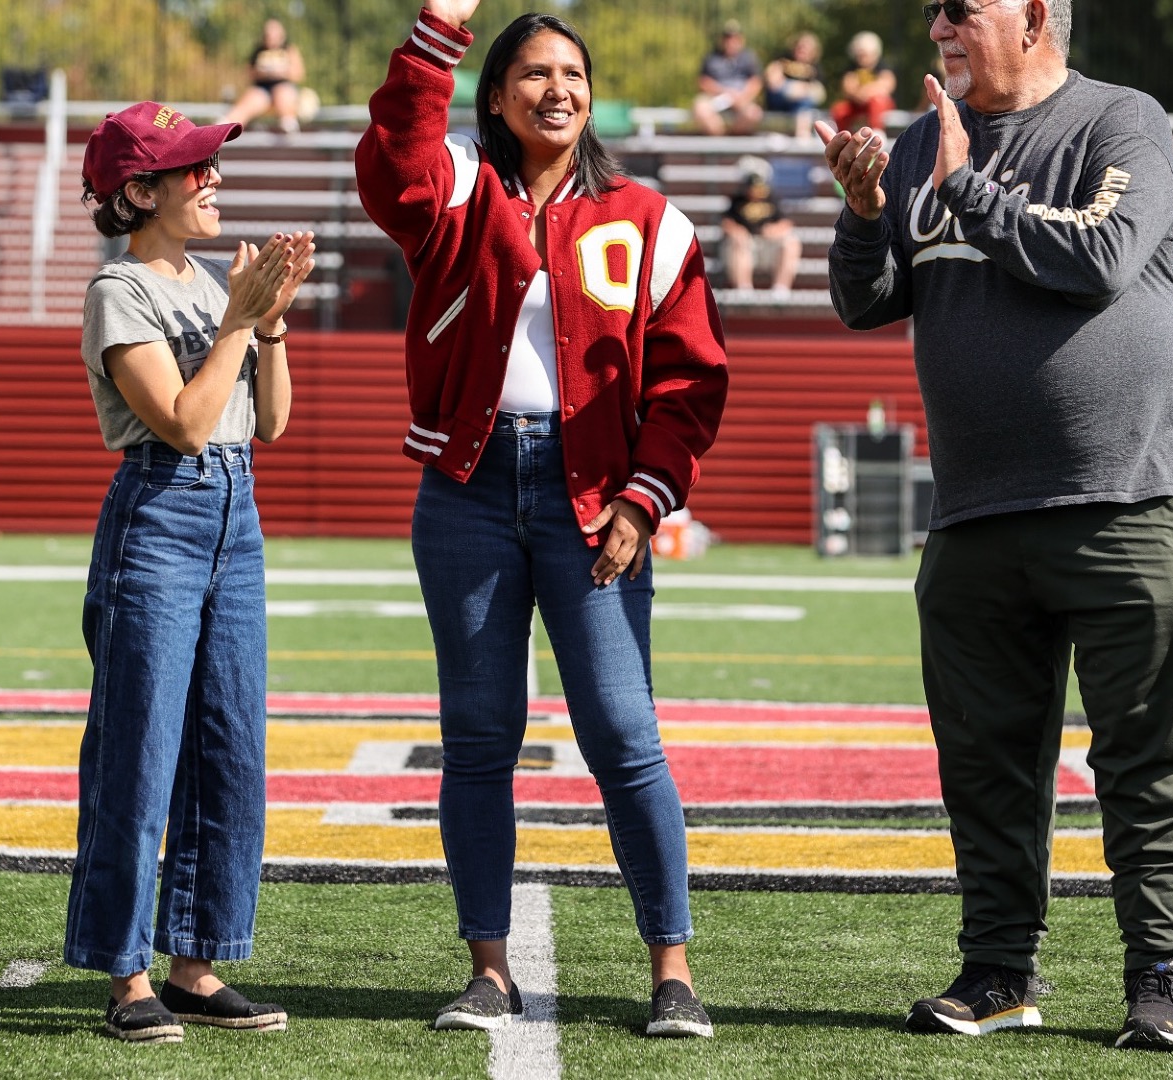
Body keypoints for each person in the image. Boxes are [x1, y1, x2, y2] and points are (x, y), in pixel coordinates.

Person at [818, 0, 1173, 1054]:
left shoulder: (1119, 119)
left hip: (1128, 497)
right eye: (934, 11)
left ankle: (1162, 979)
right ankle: (999, 973)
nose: (938, 23)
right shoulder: (916, 145)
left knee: (1146, 759)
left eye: (962, 8)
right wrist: (866, 213)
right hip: (979, 507)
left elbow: (1103, 255)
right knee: (986, 764)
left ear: (1036, 15)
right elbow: (867, 303)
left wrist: (960, 185)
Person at [358, 0, 729, 1039]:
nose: (555, 89)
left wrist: (644, 497)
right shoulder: (457, 191)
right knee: (479, 738)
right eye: (531, 74)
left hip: (595, 500)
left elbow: (690, 383)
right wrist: (436, 30)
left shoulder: (651, 218)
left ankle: (673, 970)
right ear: (495, 92)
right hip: (469, 491)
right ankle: (488, 969)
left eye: (572, 73)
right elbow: (393, 159)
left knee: (623, 735)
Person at [65, 100, 316, 1045]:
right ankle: (127, 974)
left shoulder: (219, 286)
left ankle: (195, 966)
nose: (212, 180)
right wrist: (237, 327)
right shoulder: (117, 292)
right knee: (140, 750)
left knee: (229, 745)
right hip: (161, 512)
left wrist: (272, 324)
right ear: (139, 191)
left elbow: (274, 424)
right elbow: (180, 422)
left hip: (235, 513)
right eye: (193, 169)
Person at [719, 158, 799, 296]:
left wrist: (775, 230)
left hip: (769, 246)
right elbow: (726, 222)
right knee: (739, 242)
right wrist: (738, 231)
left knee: (791, 243)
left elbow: (787, 222)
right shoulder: (737, 200)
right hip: (746, 247)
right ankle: (744, 290)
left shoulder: (772, 198)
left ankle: (781, 289)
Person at [220, 19, 308, 133]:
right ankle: (223, 128)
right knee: (249, 102)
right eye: (268, 35)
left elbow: (299, 74)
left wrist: (280, 72)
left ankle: (288, 125)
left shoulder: (289, 50)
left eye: (274, 34)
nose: (271, 38)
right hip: (262, 91)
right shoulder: (258, 51)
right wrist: (261, 73)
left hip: (283, 89)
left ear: (281, 35)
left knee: (283, 94)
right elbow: (248, 73)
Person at [691, 20, 763, 135]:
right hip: (716, 98)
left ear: (741, 39)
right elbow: (703, 82)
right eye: (728, 38)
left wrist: (742, 96)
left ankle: (733, 141)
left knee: (753, 113)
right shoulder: (711, 57)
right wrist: (724, 92)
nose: (731, 42)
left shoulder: (749, 58)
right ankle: (719, 140)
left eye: (735, 38)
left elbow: (756, 82)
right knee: (700, 108)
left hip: (742, 98)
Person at [829, 31, 896, 134]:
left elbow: (888, 84)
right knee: (839, 109)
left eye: (865, 54)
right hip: (857, 105)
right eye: (859, 54)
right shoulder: (851, 68)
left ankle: (877, 134)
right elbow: (847, 88)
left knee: (877, 101)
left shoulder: (882, 66)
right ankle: (844, 137)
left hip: (878, 106)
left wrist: (865, 91)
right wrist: (861, 93)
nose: (862, 58)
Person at [763, 31, 827, 117]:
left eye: (806, 48)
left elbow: (818, 91)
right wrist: (792, 87)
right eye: (800, 46)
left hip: (801, 102)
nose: (802, 50)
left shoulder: (815, 68)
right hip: (780, 98)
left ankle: (801, 129)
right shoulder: (783, 59)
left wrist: (800, 89)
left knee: (805, 102)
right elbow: (772, 80)